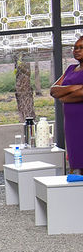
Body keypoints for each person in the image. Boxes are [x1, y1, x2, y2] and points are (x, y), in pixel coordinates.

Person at [50, 36, 83, 174]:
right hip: (71, 125)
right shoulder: (70, 69)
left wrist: (64, 95)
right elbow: (53, 90)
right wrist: (75, 87)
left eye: (81, 48)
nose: (77, 50)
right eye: (75, 47)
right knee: (76, 164)